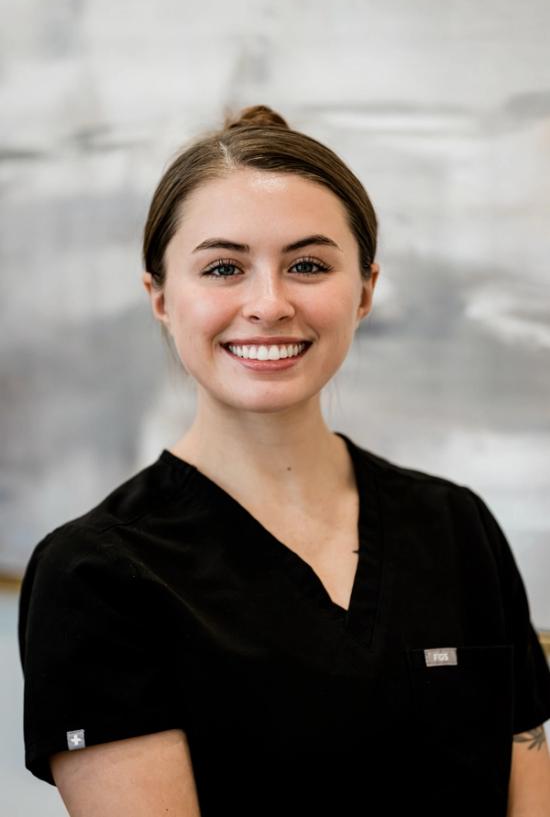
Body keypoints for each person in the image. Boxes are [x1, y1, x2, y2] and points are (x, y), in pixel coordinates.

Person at [18, 104, 550, 817]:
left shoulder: (458, 527)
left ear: (363, 289)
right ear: (161, 297)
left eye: (307, 264)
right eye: (223, 267)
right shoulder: (96, 576)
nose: (268, 304)